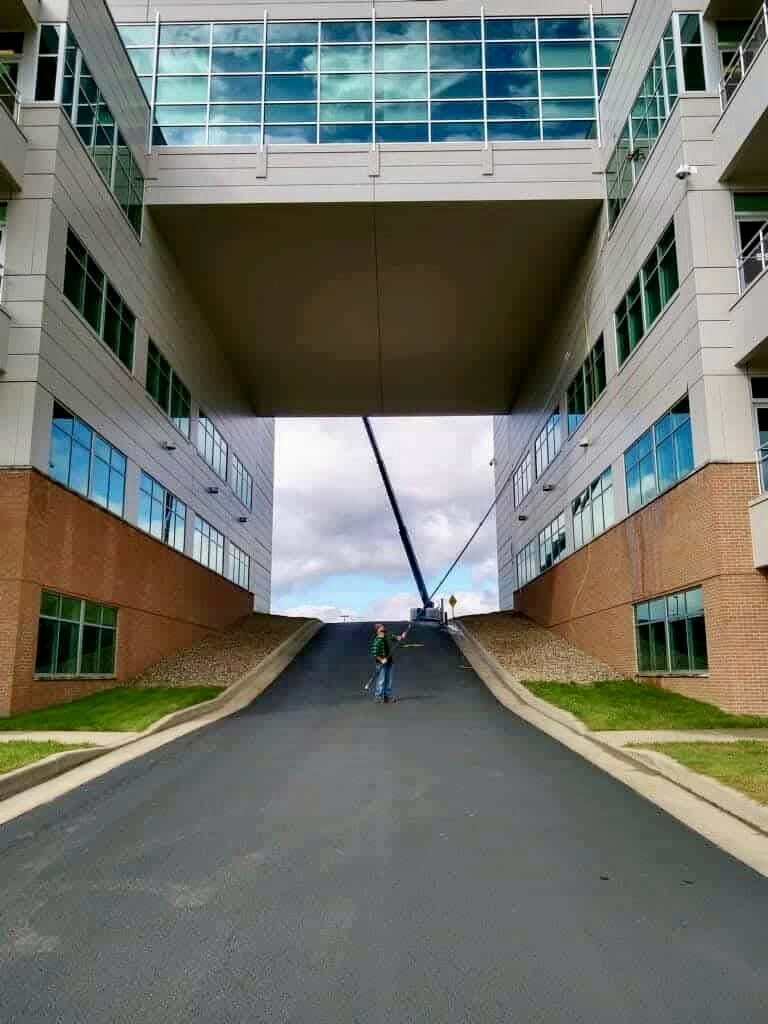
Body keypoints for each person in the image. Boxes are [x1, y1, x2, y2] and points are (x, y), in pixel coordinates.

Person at [370, 622, 407, 704]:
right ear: (378, 631)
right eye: (382, 630)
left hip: (390, 662)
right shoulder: (376, 641)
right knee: (381, 681)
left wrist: (401, 637)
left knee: (389, 680)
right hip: (381, 664)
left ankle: (387, 697)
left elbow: (396, 638)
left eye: (384, 630)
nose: (383, 631)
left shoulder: (387, 636)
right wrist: (381, 660)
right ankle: (378, 697)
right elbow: (374, 654)